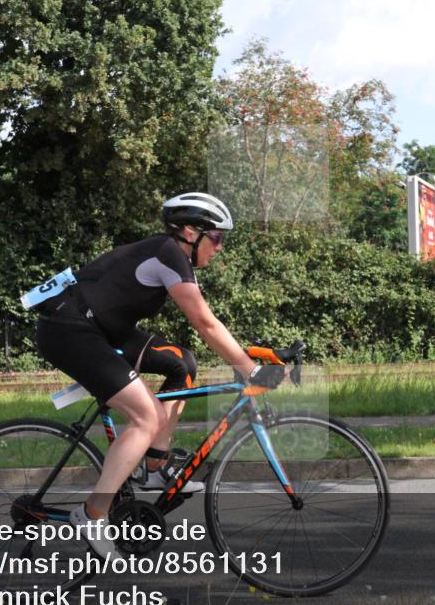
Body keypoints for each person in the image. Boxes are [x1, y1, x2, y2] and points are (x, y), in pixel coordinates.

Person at [34, 192, 286, 559]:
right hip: (69, 329)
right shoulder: (169, 253)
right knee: (145, 415)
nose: (219, 247)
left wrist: (249, 358)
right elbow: (204, 322)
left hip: (102, 327)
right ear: (189, 232)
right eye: (216, 237)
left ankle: (154, 467)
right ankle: (93, 513)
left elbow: (207, 325)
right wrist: (251, 370)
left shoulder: (171, 254)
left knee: (180, 363)